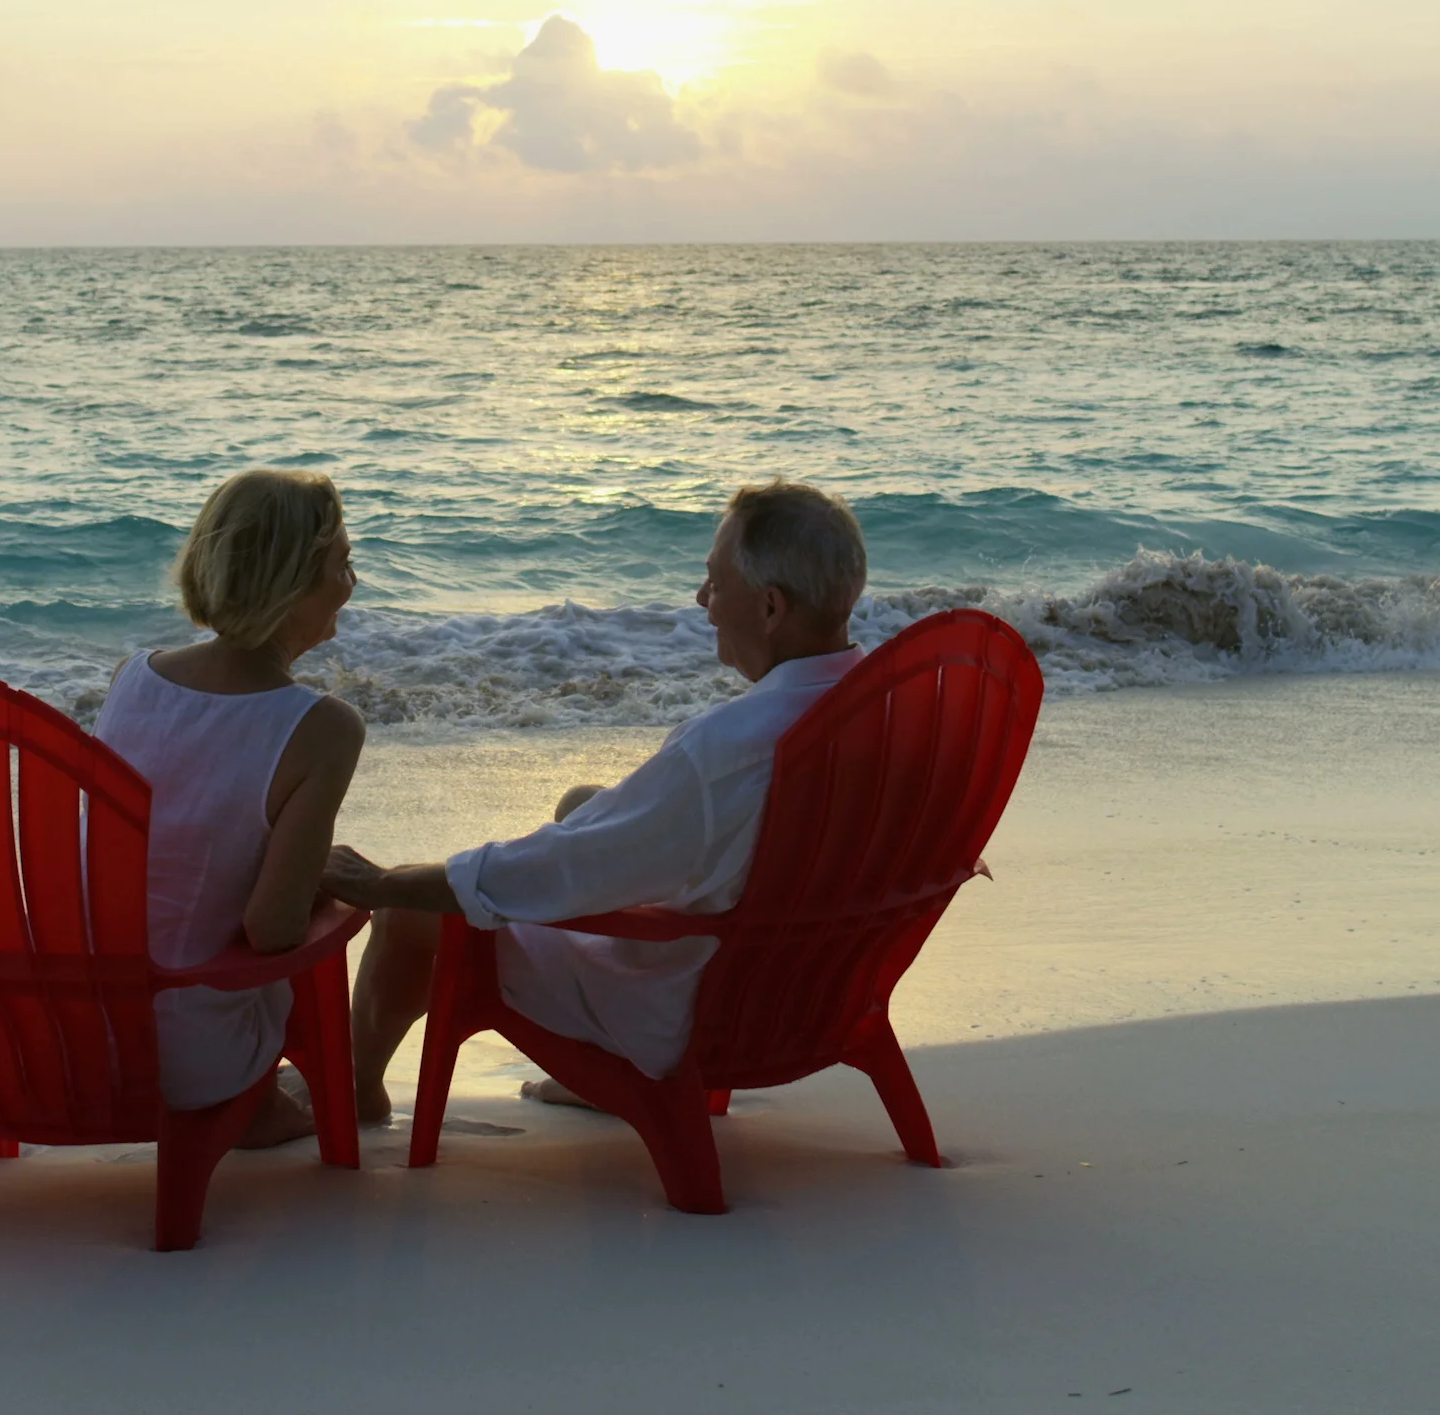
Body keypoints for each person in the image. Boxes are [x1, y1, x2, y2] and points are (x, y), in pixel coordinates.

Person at [325, 479, 866, 1120]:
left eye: (715, 584)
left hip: (695, 1012)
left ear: (771, 608)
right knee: (583, 804)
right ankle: (592, 1077)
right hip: (816, 991)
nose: (702, 601)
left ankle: (352, 1090)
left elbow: (561, 869)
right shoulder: (891, 702)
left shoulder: (730, 751)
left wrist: (390, 881)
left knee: (410, 915)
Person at [93, 467, 370, 1148]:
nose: (352, 584)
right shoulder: (323, 727)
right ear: (292, 585)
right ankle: (260, 1104)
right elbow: (272, 929)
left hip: (76, 1028)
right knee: (323, 916)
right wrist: (318, 880)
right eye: (342, 565)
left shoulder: (134, 676)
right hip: (184, 1058)